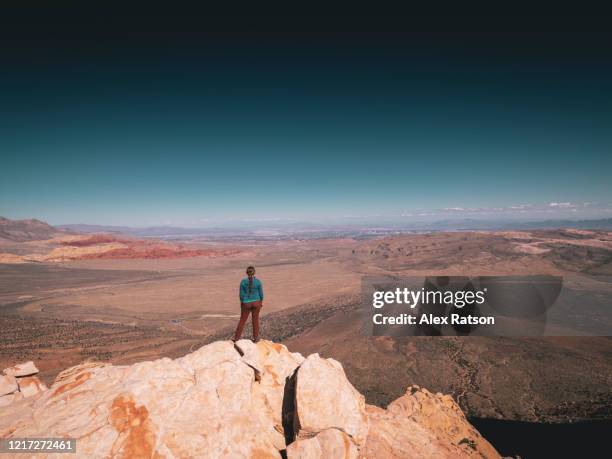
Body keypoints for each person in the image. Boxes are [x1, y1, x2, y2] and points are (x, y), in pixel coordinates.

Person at [233, 266, 264, 342]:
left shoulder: (243, 282)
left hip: (246, 303)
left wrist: (242, 303)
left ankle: (236, 339)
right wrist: (260, 302)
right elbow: (261, 294)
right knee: (255, 321)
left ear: (247, 273)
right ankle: (255, 339)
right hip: (256, 302)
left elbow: (241, 295)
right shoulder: (258, 282)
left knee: (242, 321)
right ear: (254, 272)